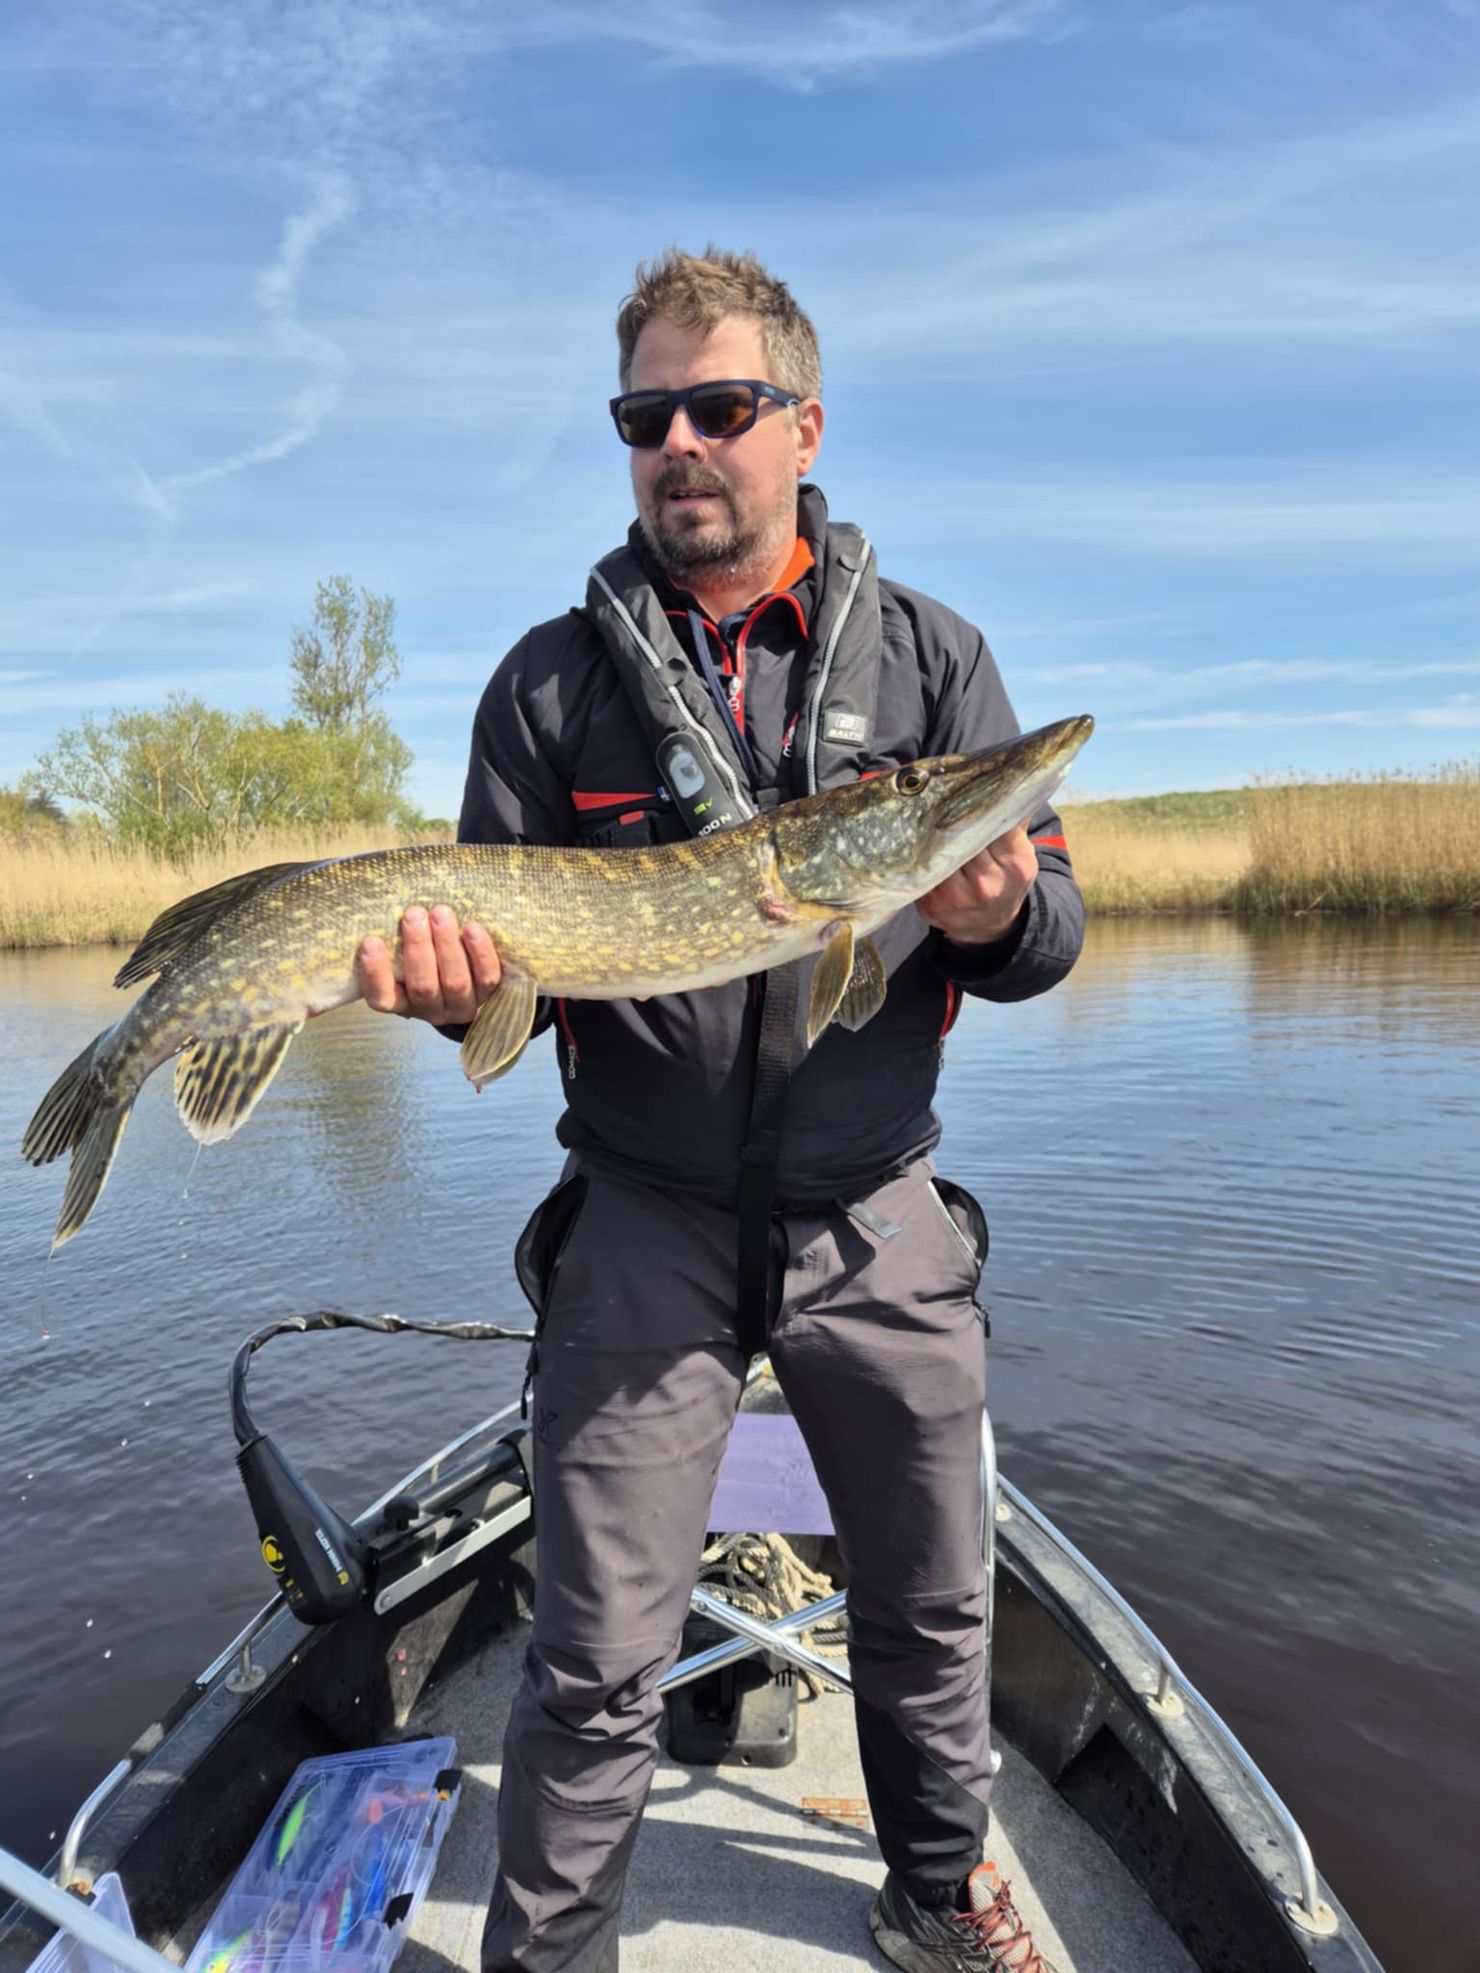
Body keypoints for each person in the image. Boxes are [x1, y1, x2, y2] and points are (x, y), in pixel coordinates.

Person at [358, 249, 1082, 1973]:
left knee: (933, 1609)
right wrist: (454, 989)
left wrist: (993, 912)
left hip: (878, 1210)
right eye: (646, 416)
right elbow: (505, 991)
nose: (680, 441)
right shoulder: (546, 688)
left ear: (802, 426)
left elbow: (1049, 933)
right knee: (596, 1647)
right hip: (641, 1221)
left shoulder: (937, 661)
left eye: (721, 406)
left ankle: (933, 1898)